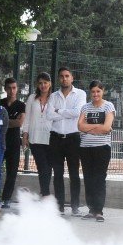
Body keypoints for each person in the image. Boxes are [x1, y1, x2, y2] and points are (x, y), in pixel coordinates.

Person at [46, 67, 87, 215]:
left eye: (67, 76)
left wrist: (59, 111)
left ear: (72, 78)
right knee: (57, 174)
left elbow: (78, 112)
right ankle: (60, 207)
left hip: (73, 138)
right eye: (62, 76)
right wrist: (65, 113)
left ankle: (75, 207)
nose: (64, 79)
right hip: (56, 138)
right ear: (59, 79)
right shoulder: (53, 96)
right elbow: (49, 115)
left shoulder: (80, 94)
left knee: (74, 174)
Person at [78, 80, 115, 222]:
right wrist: (99, 127)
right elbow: (80, 126)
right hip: (85, 148)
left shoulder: (108, 106)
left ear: (103, 91)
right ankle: (91, 210)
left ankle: (98, 211)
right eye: (93, 91)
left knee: (99, 179)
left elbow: (107, 128)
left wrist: (89, 127)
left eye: (98, 91)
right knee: (88, 179)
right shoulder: (85, 108)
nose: (95, 94)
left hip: (102, 149)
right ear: (90, 92)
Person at [22, 72, 54, 197]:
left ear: (50, 83)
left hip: (51, 138)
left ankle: (45, 193)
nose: (43, 85)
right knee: (42, 167)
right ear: (37, 84)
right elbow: (27, 118)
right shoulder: (32, 98)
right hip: (35, 138)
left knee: (48, 168)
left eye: (45, 83)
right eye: (40, 83)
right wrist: (25, 135)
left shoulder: (55, 98)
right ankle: (45, 194)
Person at [1, 78, 26, 209]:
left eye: (14, 88)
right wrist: (11, 121)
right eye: (9, 88)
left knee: (12, 172)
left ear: (17, 89)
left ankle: (6, 199)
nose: (12, 90)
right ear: (5, 89)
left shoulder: (21, 105)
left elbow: (19, 123)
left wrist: (3, 122)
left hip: (14, 143)